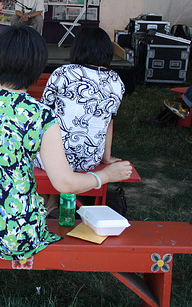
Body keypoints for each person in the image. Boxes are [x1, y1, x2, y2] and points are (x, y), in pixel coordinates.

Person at [0, 26, 133, 298]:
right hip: (18, 228)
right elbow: (64, 183)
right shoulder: (40, 116)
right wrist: (106, 175)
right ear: (38, 68)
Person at [36, 27, 126, 216]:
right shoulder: (117, 81)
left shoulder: (63, 73)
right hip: (89, 160)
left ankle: (47, 201)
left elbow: (44, 115)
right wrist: (106, 158)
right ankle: (58, 201)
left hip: (53, 157)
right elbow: (109, 121)